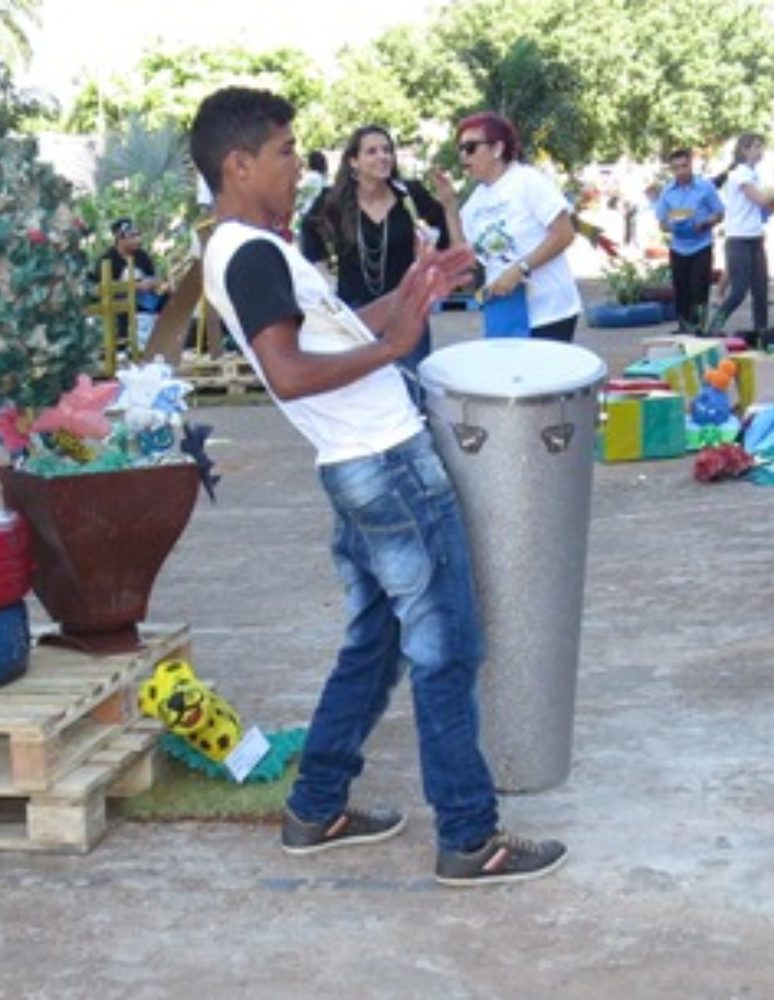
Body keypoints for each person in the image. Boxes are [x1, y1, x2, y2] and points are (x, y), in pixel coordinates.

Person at [190, 85, 567, 887]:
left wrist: (417, 287)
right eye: (287, 153)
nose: (300, 166)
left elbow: (336, 331)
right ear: (239, 163)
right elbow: (289, 373)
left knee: (378, 643)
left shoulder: (257, 249)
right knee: (446, 647)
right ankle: (470, 837)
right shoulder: (249, 253)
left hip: (360, 466)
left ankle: (316, 805)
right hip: (387, 466)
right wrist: (398, 339)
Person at [300, 124, 463, 376]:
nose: (382, 157)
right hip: (356, 314)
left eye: (387, 150)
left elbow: (452, 244)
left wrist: (450, 206)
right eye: (372, 151)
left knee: (411, 387)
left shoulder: (410, 195)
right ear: (354, 161)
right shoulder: (335, 201)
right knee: (362, 392)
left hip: (407, 310)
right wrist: (324, 275)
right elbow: (309, 233)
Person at [453, 111, 582, 342]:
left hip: (549, 311)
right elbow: (466, 262)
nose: (464, 156)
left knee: (542, 378)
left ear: (497, 149)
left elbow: (564, 234)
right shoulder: (473, 204)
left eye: (471, 147)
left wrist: (521, 268)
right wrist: (448, 207)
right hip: (505, 313)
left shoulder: (527, 181)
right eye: (460, 149)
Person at [707, 133, 774, 338]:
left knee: (761, 290)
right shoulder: (740, 174)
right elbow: (762, 201)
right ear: (744, 150)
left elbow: (763, 209)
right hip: (739, 239)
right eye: (756, 147)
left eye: (761, 147)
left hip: (754, 238)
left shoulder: (752, 174)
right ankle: (713, 326)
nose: (760, 151)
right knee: (739, 291)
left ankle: (761, 331)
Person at [654, 148, 725, 334]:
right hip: (679, 246)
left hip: (701, 244)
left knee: (699, 289)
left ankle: (699, 328)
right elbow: (662, 222)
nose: (681, 171)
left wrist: (706, 222)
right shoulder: (667, 192)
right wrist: (673, 226)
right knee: (681, 289)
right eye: (676, 168)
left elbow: (719, 213)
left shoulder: (705, 187)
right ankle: (683, 327)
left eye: (684, 166)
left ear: (690, 165)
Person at [92, 218, 168, 348]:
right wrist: (136, 286)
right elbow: (102, 288)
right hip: (121, 303)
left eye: (137, 235)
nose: (137, 239)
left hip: (147, 300)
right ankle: (125, 344)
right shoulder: (106, 259)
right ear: (120, 239)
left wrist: (154, 283)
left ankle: (167, 338)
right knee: (122, 306)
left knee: (169, 299)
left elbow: (153, 277)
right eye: (132, 236)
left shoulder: (142, 256)